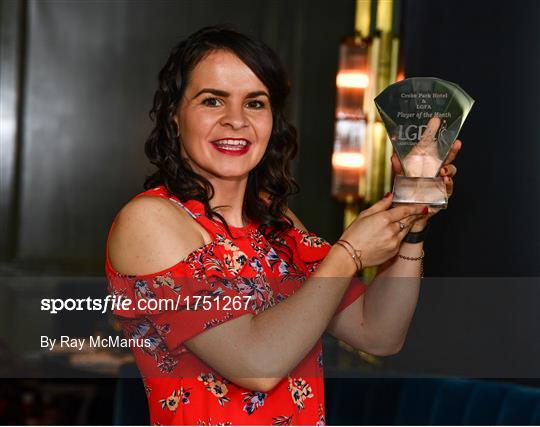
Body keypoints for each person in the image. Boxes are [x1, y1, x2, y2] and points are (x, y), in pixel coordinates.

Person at [105, 25, 460, 426]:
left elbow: (377, 332)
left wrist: (412, 217)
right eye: (212, 101)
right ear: (174, 117)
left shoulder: (276, 221)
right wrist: (349, 255)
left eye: (255, 103)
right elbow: (256, 365)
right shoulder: (149, 222)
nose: (236, 121)